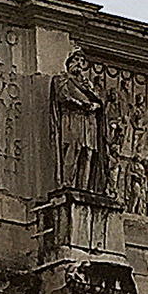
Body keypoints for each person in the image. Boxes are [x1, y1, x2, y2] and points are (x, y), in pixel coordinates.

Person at [50, 53, 106, 193]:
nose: (80, 63)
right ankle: (67, 183)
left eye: (82, 61)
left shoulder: (87, 84)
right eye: (76, 60)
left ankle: (84, 188)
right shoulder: (62, 79)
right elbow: (63, 97)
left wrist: (95, 105)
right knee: (73, 150)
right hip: (72, 119)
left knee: (88, 154)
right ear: (69, 62)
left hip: (89, 122)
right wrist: (81, 104)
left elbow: (99, 101)